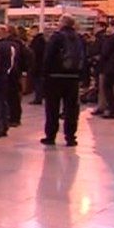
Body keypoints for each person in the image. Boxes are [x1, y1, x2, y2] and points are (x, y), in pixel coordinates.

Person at [41, 15, 85, 147]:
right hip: (73, 78)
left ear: (62, 23)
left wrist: (45, 74)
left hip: (55, 77)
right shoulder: (79, 38)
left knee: (52, 108)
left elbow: (48, 57)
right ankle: (70, 137)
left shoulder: (57, 37)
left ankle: (51, 136)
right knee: (71, 109)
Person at [28, 25, 46, 105]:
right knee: (38, 81)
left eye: (32, 30)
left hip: (37, 64)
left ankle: (38, 98)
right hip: (39, 64)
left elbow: (34, 52)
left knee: (37, 81)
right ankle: (39, 96)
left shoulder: (38, 40)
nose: (31, 32)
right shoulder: (41, 40)